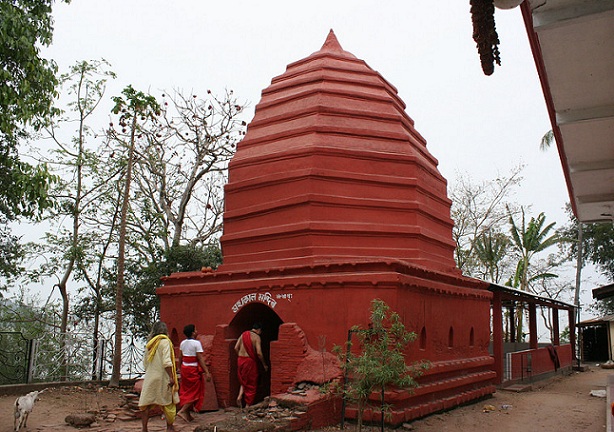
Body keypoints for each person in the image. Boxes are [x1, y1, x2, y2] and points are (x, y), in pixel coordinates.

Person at [138, 321, 179, 432]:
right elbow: (167, 362)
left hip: (150, 377)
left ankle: (144, 428)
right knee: (168, 404)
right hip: (163, 377)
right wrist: (171, 377)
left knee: (145, 405)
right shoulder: (165, 342)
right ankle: (169, 427)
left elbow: (145, 363)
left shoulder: (150, 344)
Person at [177, 324, 211, 422]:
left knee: (186, 390)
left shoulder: (183, 343)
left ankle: (188, 416)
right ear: (192, 333)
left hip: (184, 369)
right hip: (192, 369)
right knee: (195, 392)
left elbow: (180, 357)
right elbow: (200, 358)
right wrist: (207, 372)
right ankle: (182, 411)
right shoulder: (196, 344)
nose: (197, 331)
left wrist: (179, 368)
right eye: (195, 330)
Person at [234, 322, 268, 408]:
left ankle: (239, 396)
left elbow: (235, 348)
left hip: (240, 360)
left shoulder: (243, 334)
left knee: (243, 380)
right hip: (249, 361)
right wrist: (264, 364)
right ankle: (248, 405)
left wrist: (240, 356)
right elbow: (259, 353)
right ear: (259, 330)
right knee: (251, 383)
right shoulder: (257, 337)